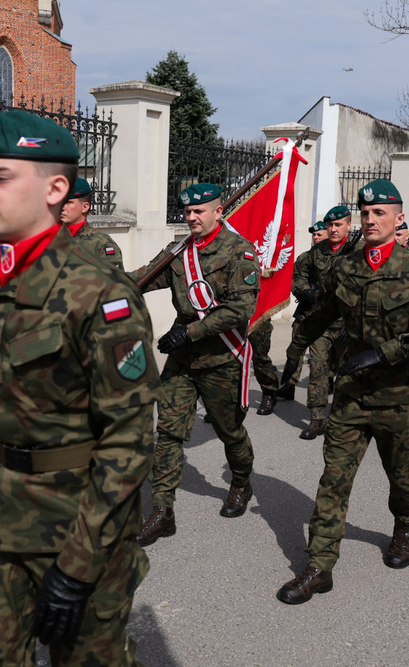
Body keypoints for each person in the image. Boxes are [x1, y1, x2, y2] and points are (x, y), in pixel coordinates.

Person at [0, 111, 160, 666]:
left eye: (0, 177)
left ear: (55, 190)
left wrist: (78, 566)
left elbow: (128, 442)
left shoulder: (100, 293)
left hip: (79, 525)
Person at [275, 180, 409, 604]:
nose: (371, 220)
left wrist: (383, 353)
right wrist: (292, 354)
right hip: (352, 395)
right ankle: (319, 566)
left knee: (404, 478)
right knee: (333, 480)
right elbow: (321, 313)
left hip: (401, 395)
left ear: (398, 218)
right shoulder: (346, 267)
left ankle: (405, 527)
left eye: (380, 213)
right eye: (365, 213)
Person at [130, 183, 261, 546]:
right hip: (183, 361)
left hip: (221, 358)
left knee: (229, 431)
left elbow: (240, 310)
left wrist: (189, 333)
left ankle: (241, 482)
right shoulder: (179, 252)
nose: (191, 217)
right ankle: (162, 512)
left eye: (198, 211)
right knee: (169, 432)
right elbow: (143, 277)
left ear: (218, 212)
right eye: (187, 212)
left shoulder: (239, 252)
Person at [279, 206, 354, 440]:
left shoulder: (360, 250)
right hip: (321, 322)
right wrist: (306, 292)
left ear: (349, 226)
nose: (333, 229)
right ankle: (316, 418)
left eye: (338, 224)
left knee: (348, 373)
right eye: (330, 225)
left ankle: (342, 417)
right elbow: (298, 275)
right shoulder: (317, 252)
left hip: (349, 325)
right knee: (317, 368)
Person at [59, 177, 124, 270]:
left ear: (85, 207)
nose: (61, 207)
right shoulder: (51, 239)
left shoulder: (101, 244)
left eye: (68, 202)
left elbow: (115, 278)